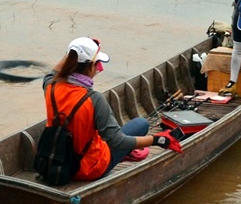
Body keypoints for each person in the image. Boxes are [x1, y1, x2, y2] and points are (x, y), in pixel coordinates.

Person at [43, 36, 181, 180]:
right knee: (141, 124)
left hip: (56, 162)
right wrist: (158, 139)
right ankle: (126, 154)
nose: (99, 69)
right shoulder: (94, 99)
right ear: (91, 66)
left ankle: (126, 153)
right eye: (97, 64)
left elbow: (52, 73)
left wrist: (75, 50)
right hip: (89, 169)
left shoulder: (50, 87)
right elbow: (117, 141)